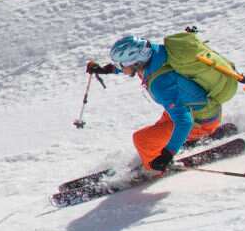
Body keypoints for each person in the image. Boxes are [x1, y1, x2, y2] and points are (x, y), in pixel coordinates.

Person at [86, 35, 225, 174]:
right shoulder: (155, 54)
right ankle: (167, 148)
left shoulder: (160, 84)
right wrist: (106, 69)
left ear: (136, 62)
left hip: (201, 121)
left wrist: (167, 155)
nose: (119, 67)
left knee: (142, 140)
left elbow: (185, 122)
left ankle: (154, 170)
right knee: (159, 128)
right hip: (198, 107)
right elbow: (132, 68)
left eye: (120, 64)